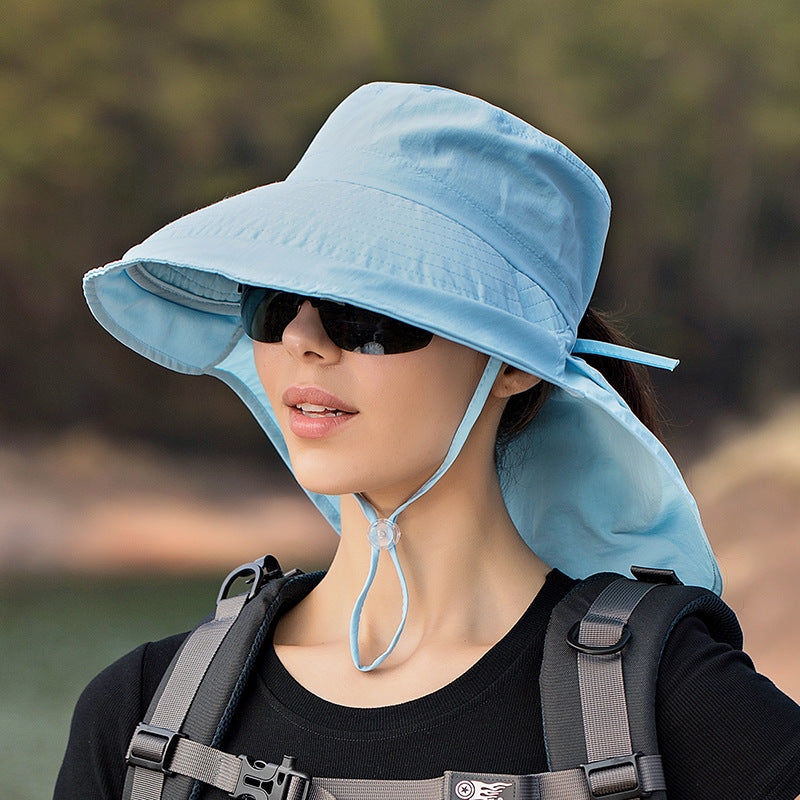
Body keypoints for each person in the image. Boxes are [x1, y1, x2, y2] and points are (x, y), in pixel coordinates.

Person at [55, 82, 800, 800]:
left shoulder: (677, 705)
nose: (304, 340)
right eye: (275, 302)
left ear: (510, 363)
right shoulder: (139, 715)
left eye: (365, 314)